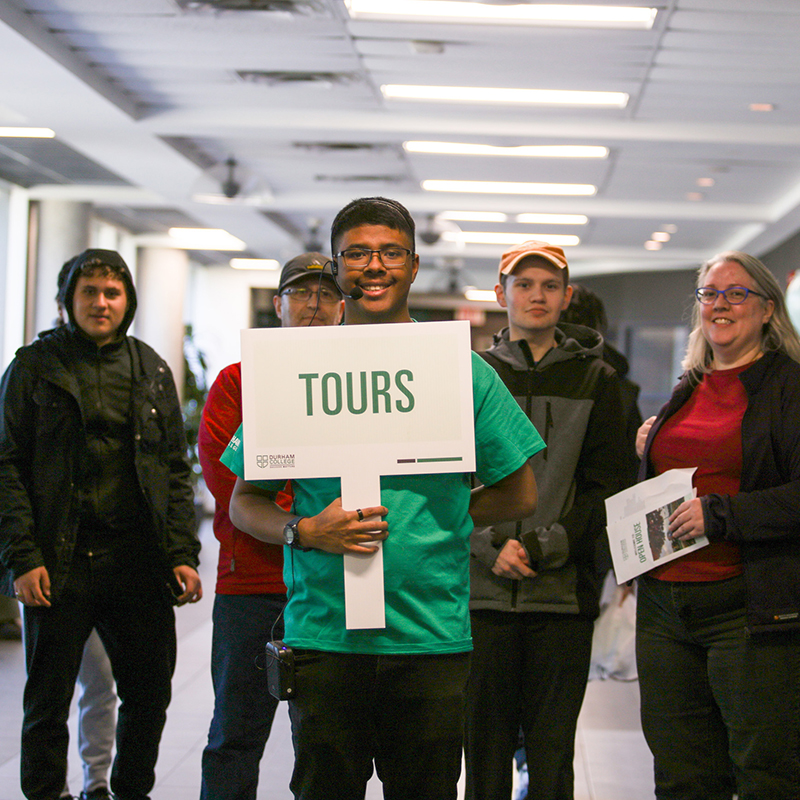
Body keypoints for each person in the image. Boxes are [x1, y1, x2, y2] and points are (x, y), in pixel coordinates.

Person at [223, 196, 545, 800]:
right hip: (324, 635)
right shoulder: (292, 368)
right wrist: (305, 531)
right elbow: (246, 501)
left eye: (391, 253)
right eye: (357, 254)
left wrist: (447, 515)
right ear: (336, 267)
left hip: (429, 635)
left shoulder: (457, 369)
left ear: (415, 265)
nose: (374, 266)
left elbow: (520, 490)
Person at [0, 248, 202, 800]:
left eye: (112, 292)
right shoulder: (33, 367)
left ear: (127, 300)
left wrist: (182, 553)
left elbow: (174, 470)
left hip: (137, 562)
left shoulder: (150, 367)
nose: (101, 303)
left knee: (149, 695)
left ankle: (129, 792)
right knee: (47, 701)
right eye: (89, 291)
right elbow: (6, 466)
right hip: (57, 563)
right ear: (67, 300)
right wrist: (22, 557)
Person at [635, 250, 800, 800]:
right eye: (710, 293)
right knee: (680, 773)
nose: (720, 304)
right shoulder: (691, 383)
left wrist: (720, 513)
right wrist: (648, 447)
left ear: (767, 309)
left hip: (747, 608)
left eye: (736, 293)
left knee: (764, 771)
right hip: (665, 605)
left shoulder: (789, 387)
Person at [465, 241, 626, 800]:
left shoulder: (598, 380)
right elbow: (445, 480)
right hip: (479, 599)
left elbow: (607, 488)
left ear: (566, 297)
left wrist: (541, 546)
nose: (537, 295)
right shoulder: (470, 377)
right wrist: (488, 546)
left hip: (561, 600)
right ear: (501, 294)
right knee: (482, 758)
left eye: (550, 286)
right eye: (525, 284)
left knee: (552, 759)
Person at [199, 253, 344, 800]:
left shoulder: (353, 386)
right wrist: (307, 519)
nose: (314, 304)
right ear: (278, 304)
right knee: (235, 735)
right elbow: (227, 478)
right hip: (252, 586)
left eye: (327, 294)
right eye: (301, 292)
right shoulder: (238, 382)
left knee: (324, 741)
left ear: (342, 309)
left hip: (329, 585)